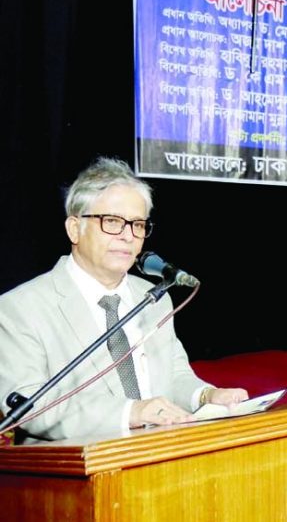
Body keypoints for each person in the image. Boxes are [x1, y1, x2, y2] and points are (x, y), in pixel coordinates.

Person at [0, 157, 248, 441]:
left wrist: (206, 395)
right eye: (113, 222)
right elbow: (29, 406)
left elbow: (174, 376)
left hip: (159, 456)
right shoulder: (19, 308)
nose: (128, 236)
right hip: (74, 472)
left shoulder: (153, 299)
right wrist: (130, 413)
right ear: (73, 228)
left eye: (138, 225)